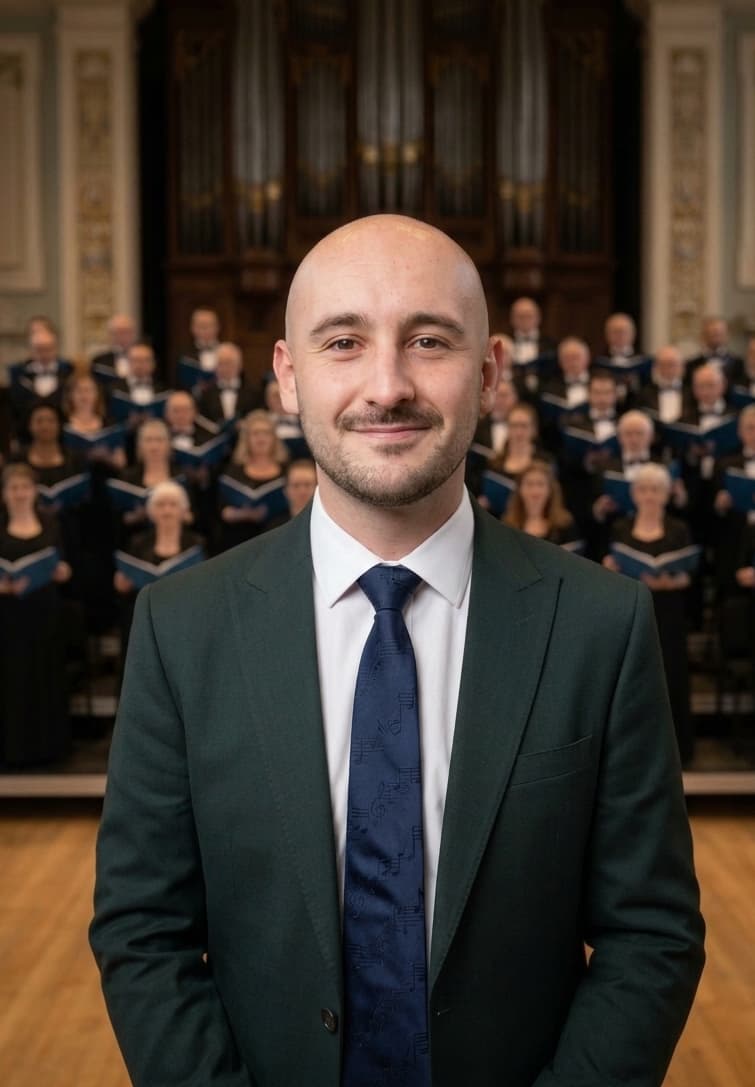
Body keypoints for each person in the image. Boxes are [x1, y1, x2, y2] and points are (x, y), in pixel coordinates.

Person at [91, 214, 704, 1087]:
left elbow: (651, 934)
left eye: (427, 340)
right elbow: (140, 932)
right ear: (287, 375)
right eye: (343, 341)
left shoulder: (600, 625)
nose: (387, 386)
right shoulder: (179, 628)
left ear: (489, 370)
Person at [603, 463, 696, 766]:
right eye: (643, 489)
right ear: (634, 493)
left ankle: (677, 753)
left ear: (666, 494)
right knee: (632, 680)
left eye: (656, 489)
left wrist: (669, 581)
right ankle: (633, 755)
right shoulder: (620, 528)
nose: (649, 495)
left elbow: (688, 576)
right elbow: (610, 570)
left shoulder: (679, 528)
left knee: (671, 678)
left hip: (668, 613)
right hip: (632, 612)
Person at [0, 463, 72, 766]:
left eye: (25, 488)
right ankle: (13, 750)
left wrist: (61, 571)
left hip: (44, 612)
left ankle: (49, 749)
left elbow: (65, 566)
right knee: (12, 679)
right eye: (14, 488)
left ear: (34, 492)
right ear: (4, 494)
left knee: (46, 675)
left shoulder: (51, 524)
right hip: (8, 617)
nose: (20, 494)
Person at [217, 409, 289, 551]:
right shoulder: (233, 472)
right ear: (246, 439)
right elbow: (222, 510)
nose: (261, 438)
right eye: (255, 433)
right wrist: (243, 515)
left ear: (274, 438)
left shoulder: (287, 471)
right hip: (240, 542)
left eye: (266, 433)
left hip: (280, 540)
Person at [504, 460, 580, 547]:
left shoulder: (564, 525)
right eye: (529, 484)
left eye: (540, 484)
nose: (535, 491)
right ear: (520, 490)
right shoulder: (508, 524)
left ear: (550, 490)